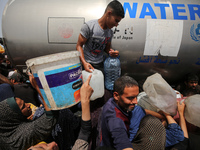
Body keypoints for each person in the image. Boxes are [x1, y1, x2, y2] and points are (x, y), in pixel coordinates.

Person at [101, 76, 166, 150]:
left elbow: (140, 110)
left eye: (136, 96)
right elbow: (121, 141)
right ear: (116, 95)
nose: (136, 101)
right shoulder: (115, 120)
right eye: (130, 98)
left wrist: (163, 117)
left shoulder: (118, 103)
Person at [0, 74, 57, 150]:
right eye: (23, 107)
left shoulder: (5, 130)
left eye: (24, 103)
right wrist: (38, 87)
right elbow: (50, 116)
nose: (28, 105)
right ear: (15, 116)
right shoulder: (20, 136)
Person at [76, 0, 124, 73]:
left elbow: (107, 49)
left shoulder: (110, 32)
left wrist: (112, 52)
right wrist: (84, 63)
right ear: (109, 14)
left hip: (100, 65)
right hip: (86, 64)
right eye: (116, 20)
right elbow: (79, 46)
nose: (116, 25)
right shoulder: (89, 26)